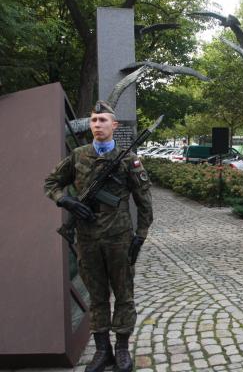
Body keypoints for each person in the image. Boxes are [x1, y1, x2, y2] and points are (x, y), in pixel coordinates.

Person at [44, 101, 153, 372]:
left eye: (103, 120)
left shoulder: (129, 159)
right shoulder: (79, 156)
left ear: (114, 125)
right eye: (93, 120)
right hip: (88, 239)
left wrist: (140, 235)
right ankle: (102, 350)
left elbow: (144, 203)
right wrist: (66, 201)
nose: (97, 125)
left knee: (124, 295)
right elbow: (51, 183)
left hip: (119, 239)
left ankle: (123, 350)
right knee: (97, 296)